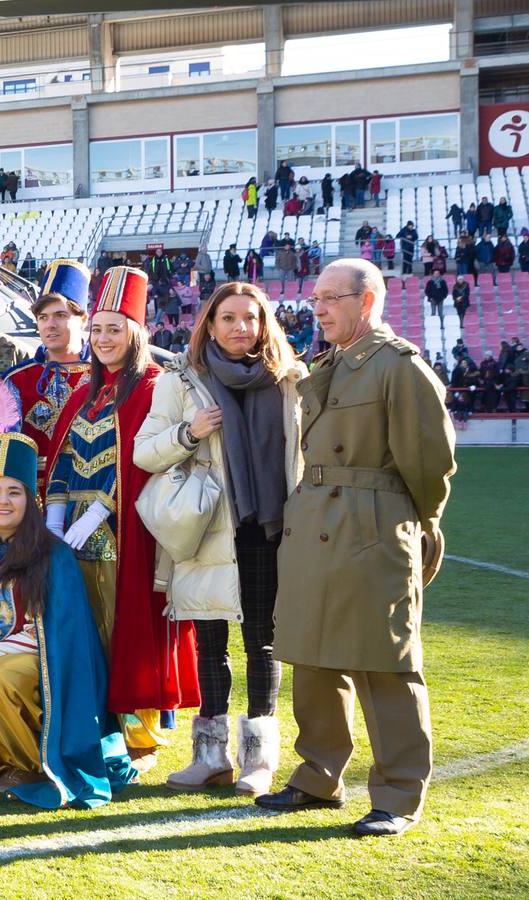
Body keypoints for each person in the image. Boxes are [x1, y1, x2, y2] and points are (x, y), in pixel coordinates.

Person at [255, 259, 455, 837]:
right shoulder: (331, 363)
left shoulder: (399, 367)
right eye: (315, 298)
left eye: (330, 298)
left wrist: (418, 526)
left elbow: (430, 462)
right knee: (313, 658)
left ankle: (397, 794)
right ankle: (318, 776)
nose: (316, 308)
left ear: (366, 302)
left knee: (385, 666)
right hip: (315, 524)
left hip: (372, 527)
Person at [135, 282, 306, 796]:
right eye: (227, 317)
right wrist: (189, 431)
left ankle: (258, 760)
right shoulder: (181, 381)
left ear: (263, 323)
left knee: (263, 641)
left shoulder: (290, 380)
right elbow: (145, 452)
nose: (239, 328)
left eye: (249, 318)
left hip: (269, 529)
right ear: (209, 324)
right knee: (210, 646)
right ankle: (210, 757)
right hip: (207, 527)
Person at [43, 266, 198, 771]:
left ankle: (141, 733)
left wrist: (95, 517)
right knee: (86, 627)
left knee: (126, 626)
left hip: (125, 531)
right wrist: (56, 519)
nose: (103, 338)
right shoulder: (86, 392)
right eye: (98, 329)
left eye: (115, 328)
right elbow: (65, 458)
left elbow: (140, 462)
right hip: (72, 536)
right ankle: (99, 720)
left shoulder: (155, 385)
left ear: (136, 333)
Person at [0, 433, 135, 807]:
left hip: (36, 674)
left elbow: (51, 635)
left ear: (31, 499)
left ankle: (32, 765)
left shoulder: (53, 557)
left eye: (14, 492)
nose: (3, 501)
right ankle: (7, 751)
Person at [6, 261, 93, 463]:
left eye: (60, 315)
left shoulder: (106, 375)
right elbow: (6, 453)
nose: (50, 325)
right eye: (43, 317)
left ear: (83, 319)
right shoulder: (17, 380)